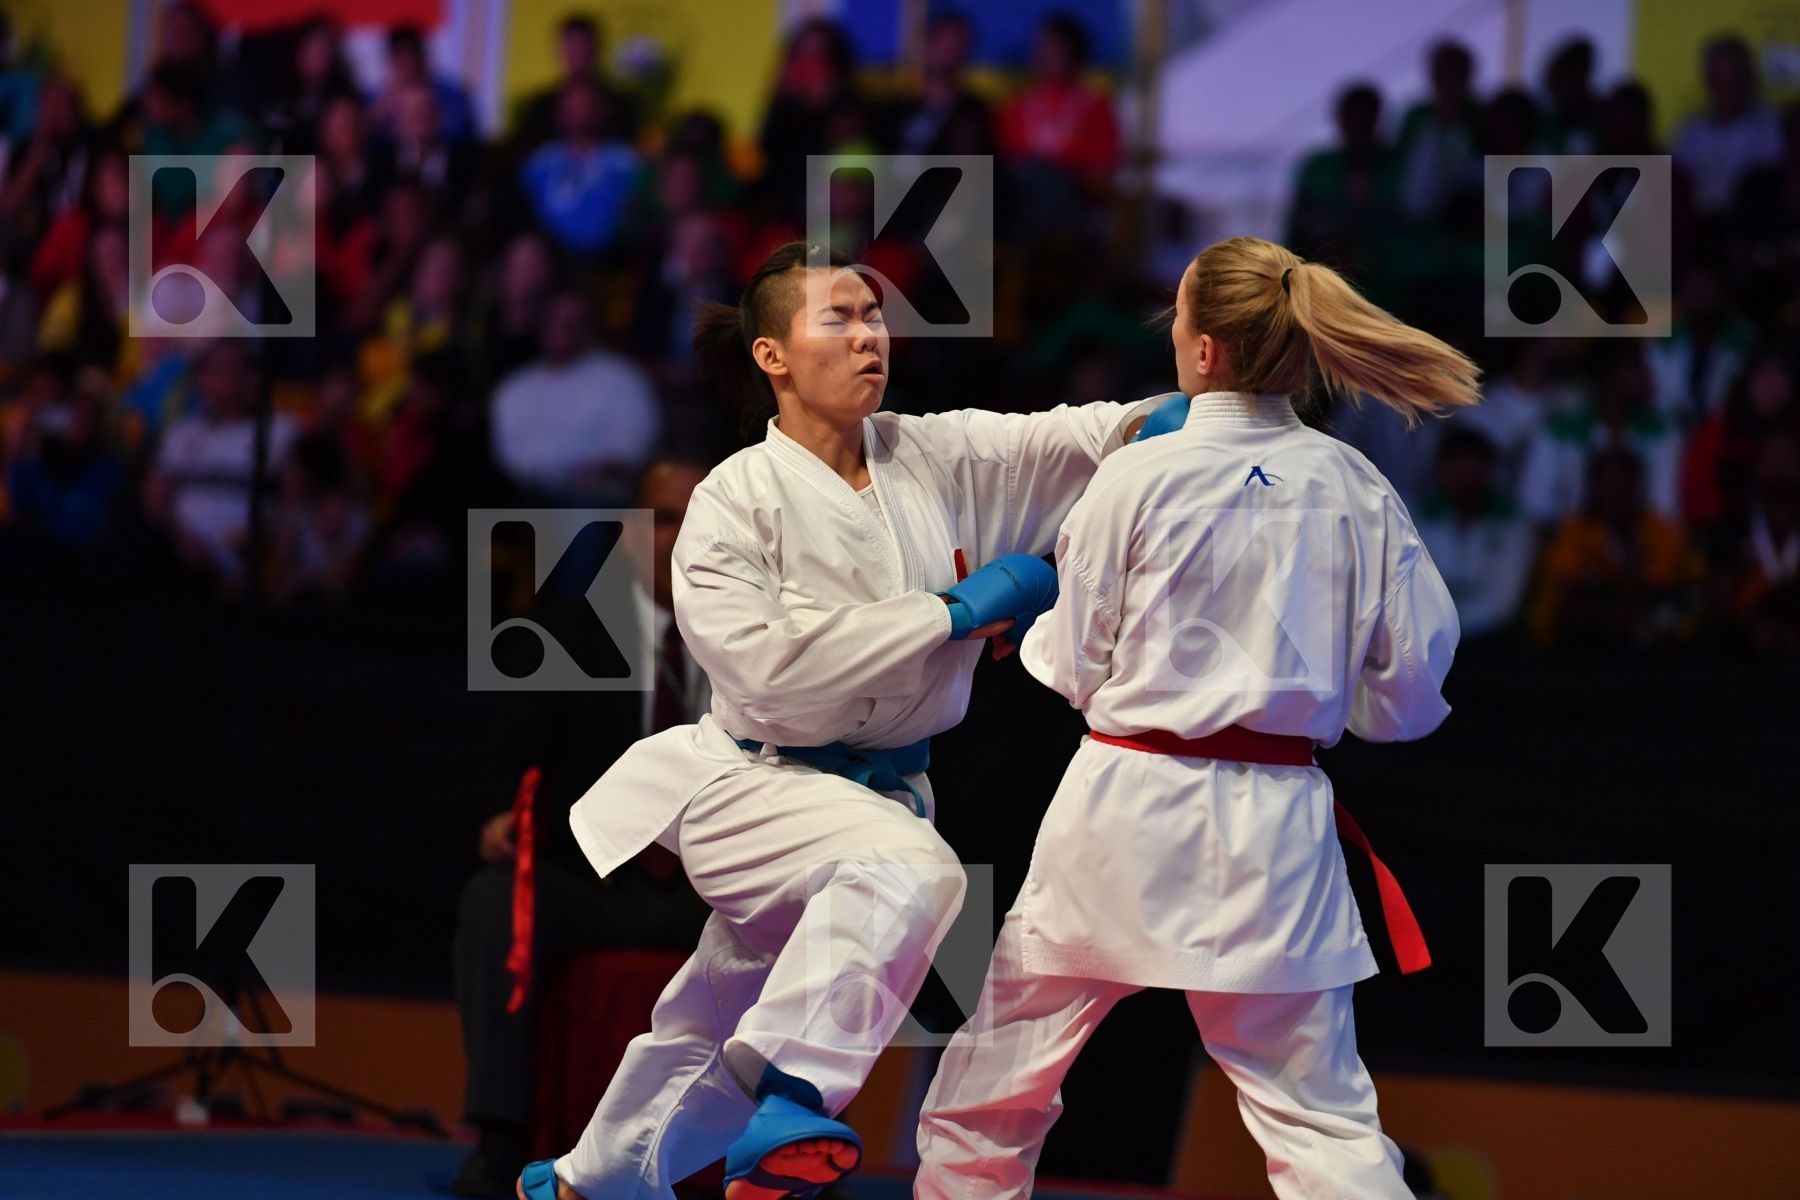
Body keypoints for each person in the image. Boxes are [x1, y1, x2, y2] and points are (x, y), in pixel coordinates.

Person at [514, 241, 1166, 1200]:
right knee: (911, 875)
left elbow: (1069, 438)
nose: (871, 337)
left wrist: (1206, 412)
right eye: (840, 318)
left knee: (709, 1019)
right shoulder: (732, 501)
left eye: (875, 316)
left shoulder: (925, 452)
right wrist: (952, 613)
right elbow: (770, 673)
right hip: (750, 781)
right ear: (773, 355)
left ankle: (587, 1181)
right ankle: (793, 1097)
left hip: (884, 785)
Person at [914, 236, 1477, 1200]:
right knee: (1323, 1122)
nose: (1169, 334)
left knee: (990, 1096)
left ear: (1205, 349)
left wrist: (1032, 626)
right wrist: (1348, 715)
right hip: (1277, 820)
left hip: (1125, 808)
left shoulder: (1138, 475)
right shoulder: (1356, 486)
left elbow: (1073, 663)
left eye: (1176, 318)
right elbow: (1418, 680)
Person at [451, 458, 716, 1198]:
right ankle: (500, 1137)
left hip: (714, 893)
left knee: (825, 898)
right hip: (592, 883)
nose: (679, 537)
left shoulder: (756, 640)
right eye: (664, 519)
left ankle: (796, 1146)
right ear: (632, 536)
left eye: (697, 519)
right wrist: (502, 818)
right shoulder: (564, 632)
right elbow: (509, 764)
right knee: (492, 901)